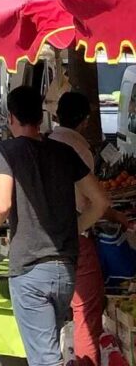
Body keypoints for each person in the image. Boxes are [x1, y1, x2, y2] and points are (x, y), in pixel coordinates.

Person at [0, 85, 109, 366]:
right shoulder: (63, 151)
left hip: (30, 269)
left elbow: (2, 204)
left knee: (45, 359)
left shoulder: (7, 151)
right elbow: (101, 201)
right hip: (65, 269)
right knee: (51, 347)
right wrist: (75, 226)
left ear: (10, 117)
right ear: (41, 115)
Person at [51, 91, 129, 366]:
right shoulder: (78, 148)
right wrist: (114, 216)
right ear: (84, 121)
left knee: (63, 310)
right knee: (86, 310)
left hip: (48, 240)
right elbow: (93, 201)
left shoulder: (46, 142)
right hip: (75, 239)